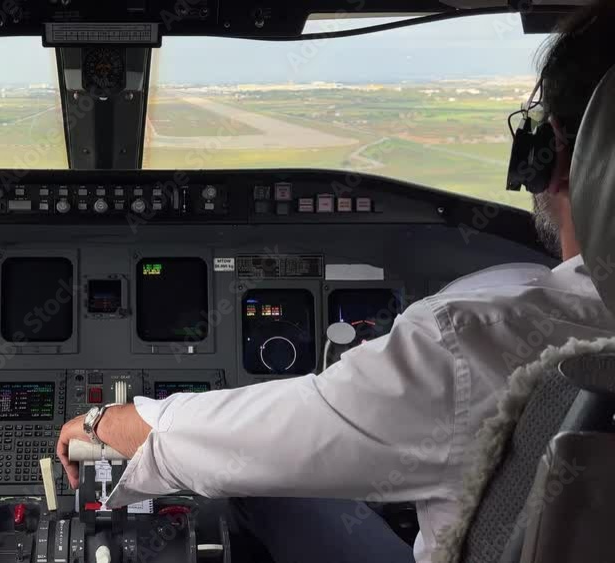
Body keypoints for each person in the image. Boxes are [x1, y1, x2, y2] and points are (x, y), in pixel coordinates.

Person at [55, 3, 615, 563]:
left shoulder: (479, 336)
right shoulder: (506, 305)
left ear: (553, 154)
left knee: (246, 476)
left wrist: (110, 421)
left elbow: (245, 445)